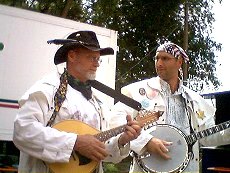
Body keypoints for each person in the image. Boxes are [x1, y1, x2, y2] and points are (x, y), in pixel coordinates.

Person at [13, 30, 142, 173]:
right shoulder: (47, 89)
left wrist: (122, 140)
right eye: (91, 58)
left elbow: (99, 149)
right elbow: (23, 131)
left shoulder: (96, 103)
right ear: (72, 56)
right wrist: (75, 142)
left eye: (98, 59)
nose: (97, 64)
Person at [110, 42, 230, 173]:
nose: (159, 63)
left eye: (165, 58)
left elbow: (207, 137)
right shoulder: (138, 91)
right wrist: (146, 141)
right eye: (157, 58)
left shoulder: (195, 100)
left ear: (179, 62)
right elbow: (117, 121)